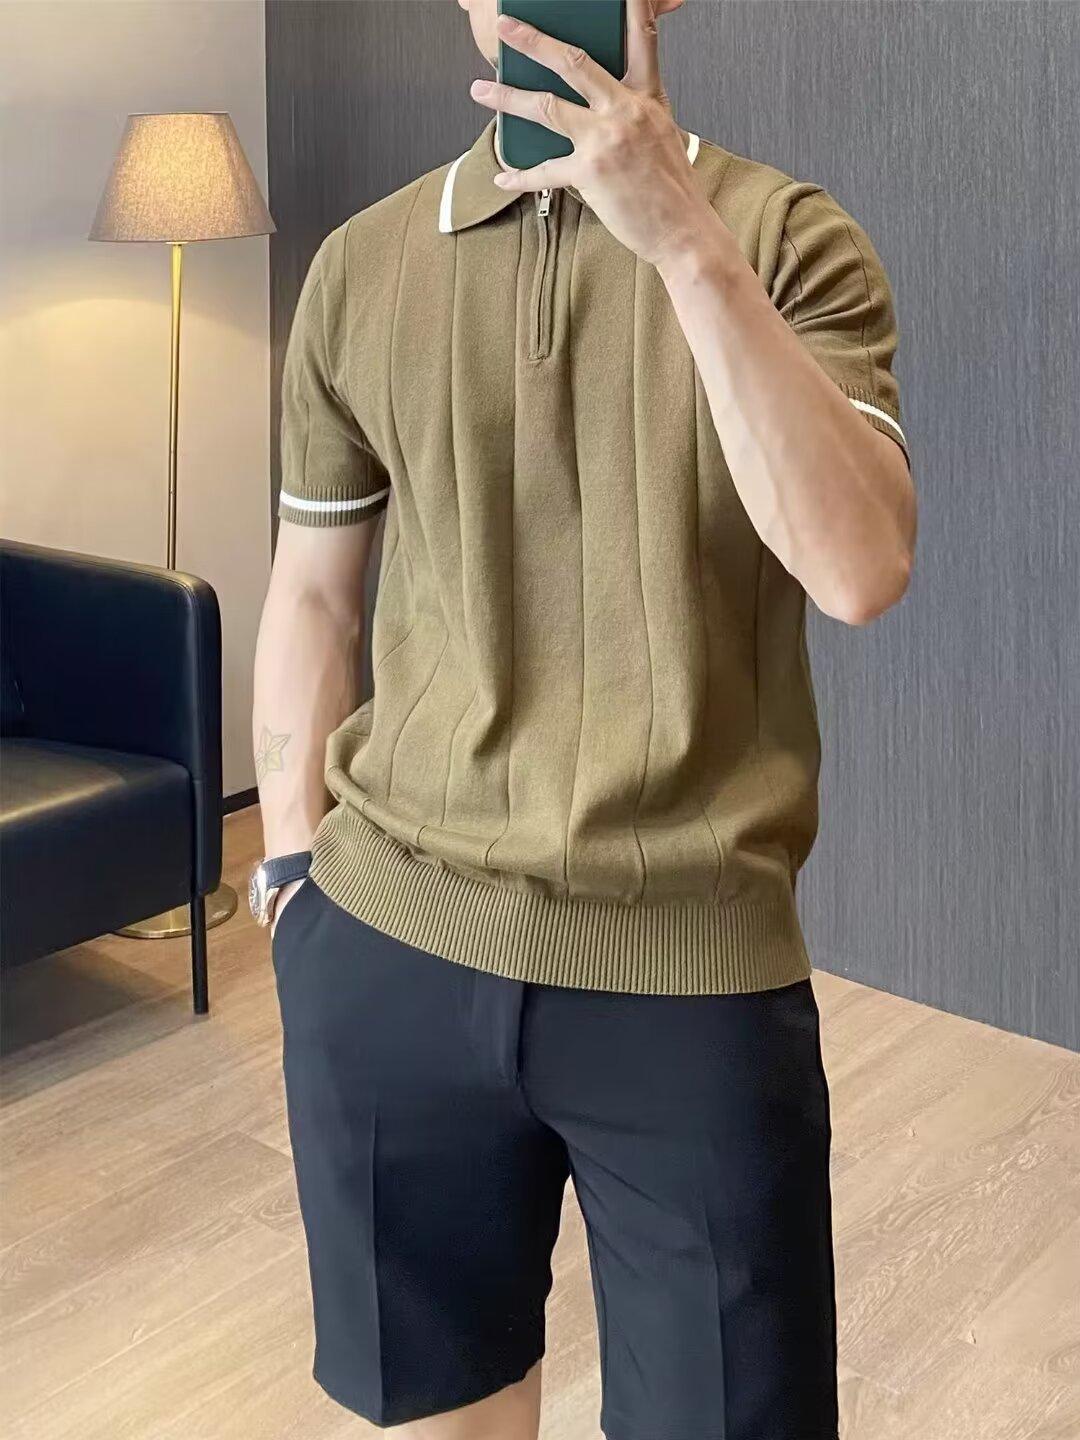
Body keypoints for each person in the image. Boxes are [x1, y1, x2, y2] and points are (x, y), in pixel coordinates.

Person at [250, 1, 916, 1435]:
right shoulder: (361, 265)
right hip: (386, 946)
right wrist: (293, 873)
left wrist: (684, 245)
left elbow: (861, 569)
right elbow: (311, 588)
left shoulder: (787, 240)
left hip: (686, 970)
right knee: (439, 1409)